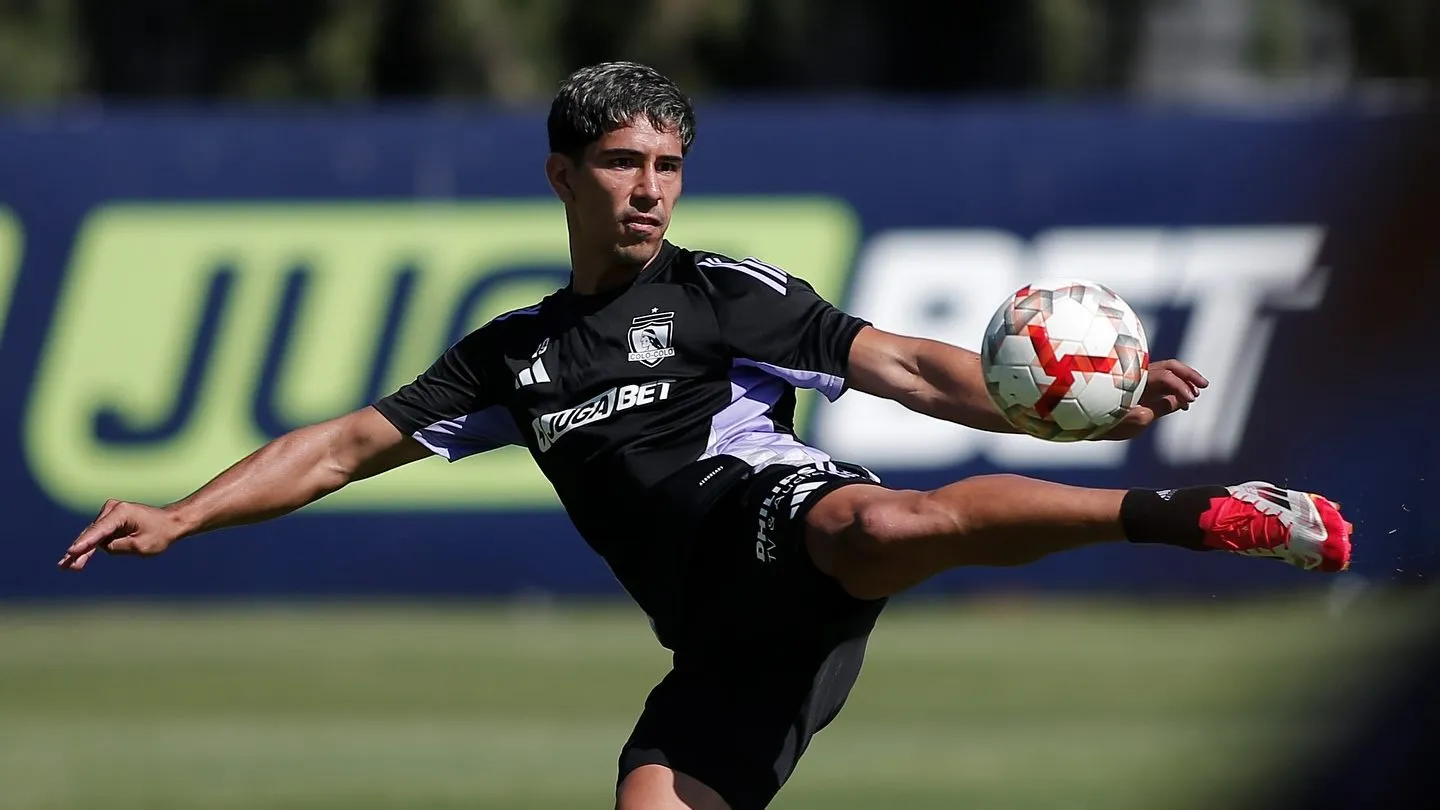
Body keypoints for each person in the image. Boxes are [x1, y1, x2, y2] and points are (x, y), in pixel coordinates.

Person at [58, 62, 1352, 810]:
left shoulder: (721, 290)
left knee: (879, 517)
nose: (651, 186)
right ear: (565, 174)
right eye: (624, 162)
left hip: (784, 526)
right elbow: (338, 445)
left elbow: (903, 363)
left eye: (668, 164)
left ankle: (1192, 512)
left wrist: (1073, 413)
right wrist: (181, 511)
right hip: (731, 652)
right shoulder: (512, 354)